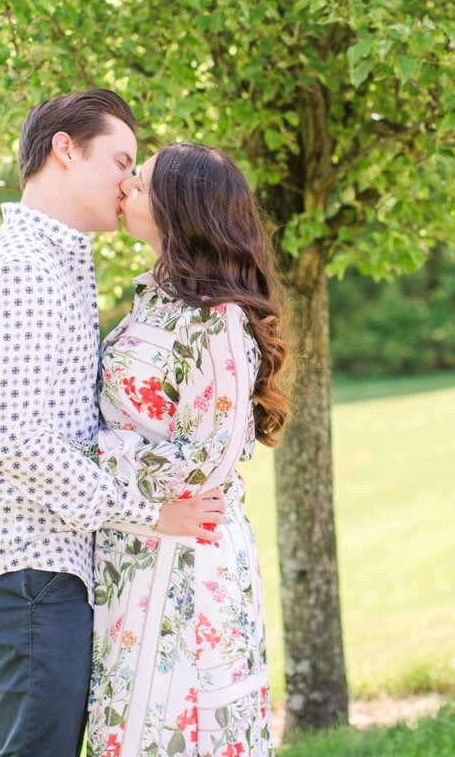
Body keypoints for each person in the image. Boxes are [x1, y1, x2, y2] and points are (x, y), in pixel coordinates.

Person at [0, 89, 228, 757]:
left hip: (48, 566)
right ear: (65, 150)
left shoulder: (55, 263)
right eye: (121, 160)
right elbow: (15, 440)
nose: (130, 182)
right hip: (29, 567)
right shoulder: (26, 268)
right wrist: (150, 513)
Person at [87, 143, 291, 757]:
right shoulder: (153, 299)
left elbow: (201, 466)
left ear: (181, 209)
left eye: (141, 182)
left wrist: (83, 451)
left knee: (181, 732)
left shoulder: (220, 322)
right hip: (134, 550)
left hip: (189, 559)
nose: (125, 187)